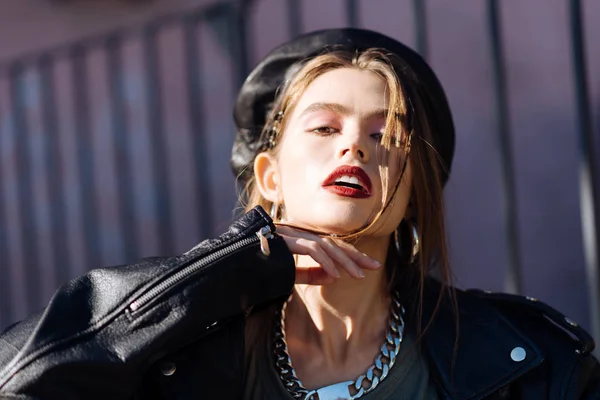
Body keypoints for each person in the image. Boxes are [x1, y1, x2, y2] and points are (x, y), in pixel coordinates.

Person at [0, 28, 598, 400]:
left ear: (415, 190)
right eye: (325, 126)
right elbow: (20, 381)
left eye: (386, 134)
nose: (354, 147)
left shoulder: (529, 361)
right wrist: (225, 271)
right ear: (270, 177)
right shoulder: (177, 359)